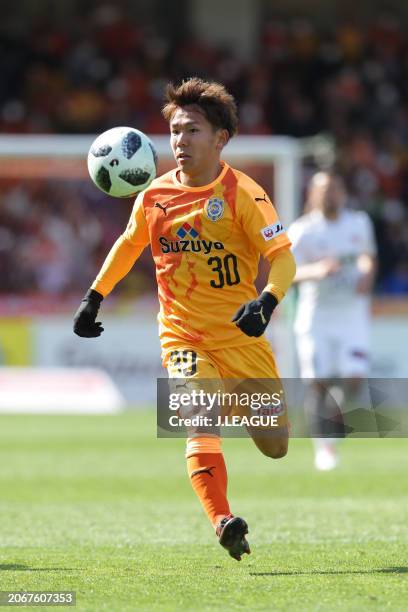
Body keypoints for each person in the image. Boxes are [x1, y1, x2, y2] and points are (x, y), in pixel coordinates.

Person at [73, 78, 296, 560]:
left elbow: (283, 259)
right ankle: (223, 520)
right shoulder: (154, 196)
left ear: (220, 139)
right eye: (174, 131)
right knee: (198, 419)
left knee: (275, 444)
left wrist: (268, 300)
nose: (179, 141)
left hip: (241, 339)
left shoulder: (245, 194)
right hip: (182, 336)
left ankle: (231, 399)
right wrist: (94, 296)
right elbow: (129, 245)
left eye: (192, 130)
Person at [288, 171, 377, 470]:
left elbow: (368, 257)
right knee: (318, 383)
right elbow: (288, 273)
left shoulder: (359, 223)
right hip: (316, 317)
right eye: (324, 190)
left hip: (352, 315)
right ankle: (324, 447)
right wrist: (317, 271)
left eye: (335, 188)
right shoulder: (302, 231)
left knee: (353, 378)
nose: (331, 195)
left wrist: (366, 274)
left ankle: (335, 418)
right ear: (312, 194)